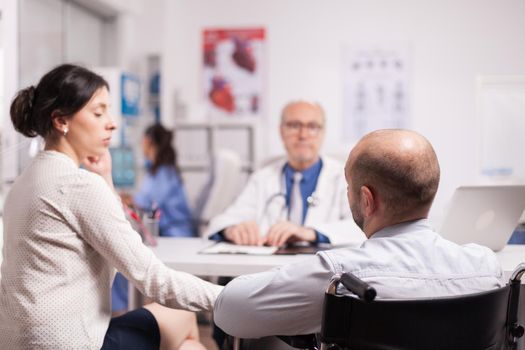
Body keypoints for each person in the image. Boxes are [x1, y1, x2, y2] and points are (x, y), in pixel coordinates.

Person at [0, 64, 222, 350]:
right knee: (185, 321)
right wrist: (233, 296)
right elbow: (153, 280)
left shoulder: (23, 182)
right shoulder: (77, 185)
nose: (112, 123)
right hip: (70, 343)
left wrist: (104, 177)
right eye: (98, 112)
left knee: (189, 345)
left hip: (17, 342)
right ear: (60, 121)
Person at [214, 129, 503, 343]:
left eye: (349, 185)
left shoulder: (339, 277)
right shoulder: (484, 265)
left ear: (367, 199)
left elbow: (230, 313)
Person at [206, 100, 363, 247]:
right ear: (281, 131)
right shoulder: (262, 178)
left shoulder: (345, 177)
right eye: (294, 126)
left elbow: (362, 227)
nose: (303, 135)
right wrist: (232, 229)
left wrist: (310, 233)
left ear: (323, 133)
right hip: (268, 268)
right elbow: (221, 221)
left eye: (312, 127)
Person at [122, 123, 194, 238]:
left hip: (175, 234)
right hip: (166, 232)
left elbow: (148, 202)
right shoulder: (156, 170)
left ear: (148, 141)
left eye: (142, 142)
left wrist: (126, 198)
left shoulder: (165, 172)